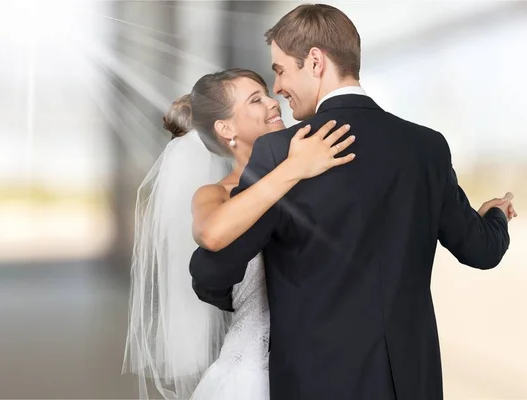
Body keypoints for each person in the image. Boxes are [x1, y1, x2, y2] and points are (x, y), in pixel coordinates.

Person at [189, 5, 517, 400]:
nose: (278, 87)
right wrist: (496, 214)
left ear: (314, 61)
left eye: (279, 70)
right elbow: (481, 249)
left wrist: (244, 299)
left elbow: (212, 269)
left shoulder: (282, 152)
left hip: (317, 381)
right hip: (411, 382)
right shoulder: (427, 146)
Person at [123, 68, 355, 399]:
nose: (273, 103)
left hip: (327, 367)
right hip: (253, 377)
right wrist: (293, 169)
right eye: (255, 100)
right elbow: (213, 235)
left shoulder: (315, 174)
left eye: (267, 94)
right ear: (226, 129)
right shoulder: (213, 194)